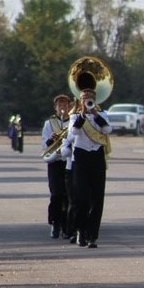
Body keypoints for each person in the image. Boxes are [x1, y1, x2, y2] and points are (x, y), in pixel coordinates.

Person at [68, 89, 112, 248]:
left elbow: (107, 130)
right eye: (84, 99)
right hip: (80, 157)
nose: (87, 101)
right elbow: (73, 132)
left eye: (90, 99)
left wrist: (95, 115)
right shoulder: (74, 117)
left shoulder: (102, 115)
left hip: (97, 156)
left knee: (97, 198)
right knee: (81, 198)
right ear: (80, 101)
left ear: (95, 100)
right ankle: (81, 231)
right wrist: (82, 115)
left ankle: (93, 235)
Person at [42, 95, 73, 239]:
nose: (62, 107)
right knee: (56, 195)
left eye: (65, 104)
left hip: (69, 162)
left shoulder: (73, 121)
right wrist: (51, 140)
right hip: (55, 162)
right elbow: (44, 145)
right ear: (55, 107)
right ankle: (54, 222)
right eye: (59, 104)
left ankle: (67, 226)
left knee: (68, 195)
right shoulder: (49, 123)